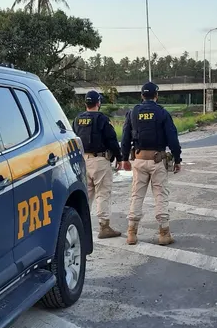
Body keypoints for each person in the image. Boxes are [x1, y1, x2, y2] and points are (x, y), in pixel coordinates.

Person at [121, 82, 182, 246]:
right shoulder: (162, 113)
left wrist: (124, 159)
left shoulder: (132, 112)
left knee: (136, 195)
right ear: (156, 95)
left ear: (142, 96)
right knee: (160, 196)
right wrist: (177, 159)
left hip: (139, 160)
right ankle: (164, 234)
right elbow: (172, 139)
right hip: (158, 160)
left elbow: (125, 137)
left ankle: (132, 233)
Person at [73, 90, 122, 239]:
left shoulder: (77, 119)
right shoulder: (102, 119)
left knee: (86, 195)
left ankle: (79, 226)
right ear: (98, 103)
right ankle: (104, 227)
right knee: (103, 193)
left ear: (86, 103)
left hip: (82, 161)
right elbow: (112, 140)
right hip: (100, 161)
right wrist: (119, 158)